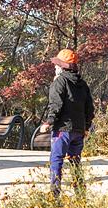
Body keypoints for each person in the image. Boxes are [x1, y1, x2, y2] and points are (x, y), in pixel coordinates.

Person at [38, 49, 94, 196]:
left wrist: (48, 122)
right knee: (76, 162)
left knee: (56, 160)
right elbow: (90, 108)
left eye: (56, 65)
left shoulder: (60, 81)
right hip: (79, 131)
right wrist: (86, 127)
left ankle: (55, 196)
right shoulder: (83, 84)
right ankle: (81, 195)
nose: (54, 68)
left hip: (63, 130)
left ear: (61, 67)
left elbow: (56, 104)